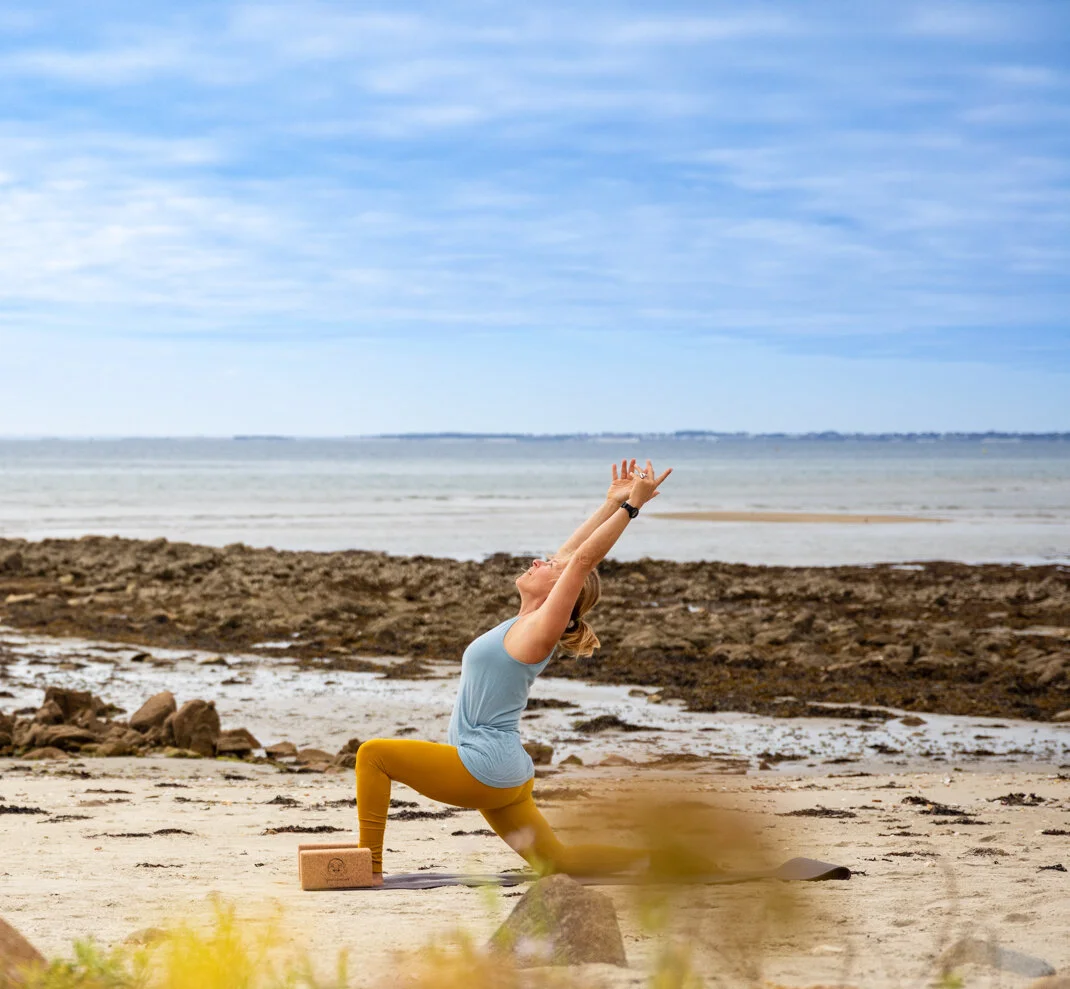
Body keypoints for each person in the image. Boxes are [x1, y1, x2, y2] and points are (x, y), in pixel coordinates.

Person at [355, 458, 673, 885]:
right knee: (556, 863)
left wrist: (631, 510)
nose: (541, 562)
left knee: (372, 754)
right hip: (502, 769)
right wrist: (610, 502)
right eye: (544, 560)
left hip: (483, 765)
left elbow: (579, 562)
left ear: (564, 593)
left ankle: (368, 868)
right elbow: (569, 555)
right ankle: (665, 859)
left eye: (550, 569)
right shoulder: (524, 622)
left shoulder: (540, 630)